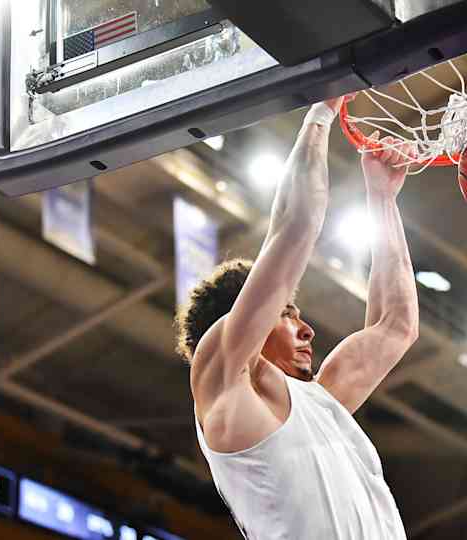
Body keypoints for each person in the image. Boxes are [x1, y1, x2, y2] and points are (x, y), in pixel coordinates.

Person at [175, 94, 419, 540]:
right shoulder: (223, 385)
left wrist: (382, 198)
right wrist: (321, 111)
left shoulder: (321, 402)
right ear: (244, 314)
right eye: (286, 313)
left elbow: (396, 325)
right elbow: (296, 223)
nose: (307, 330)